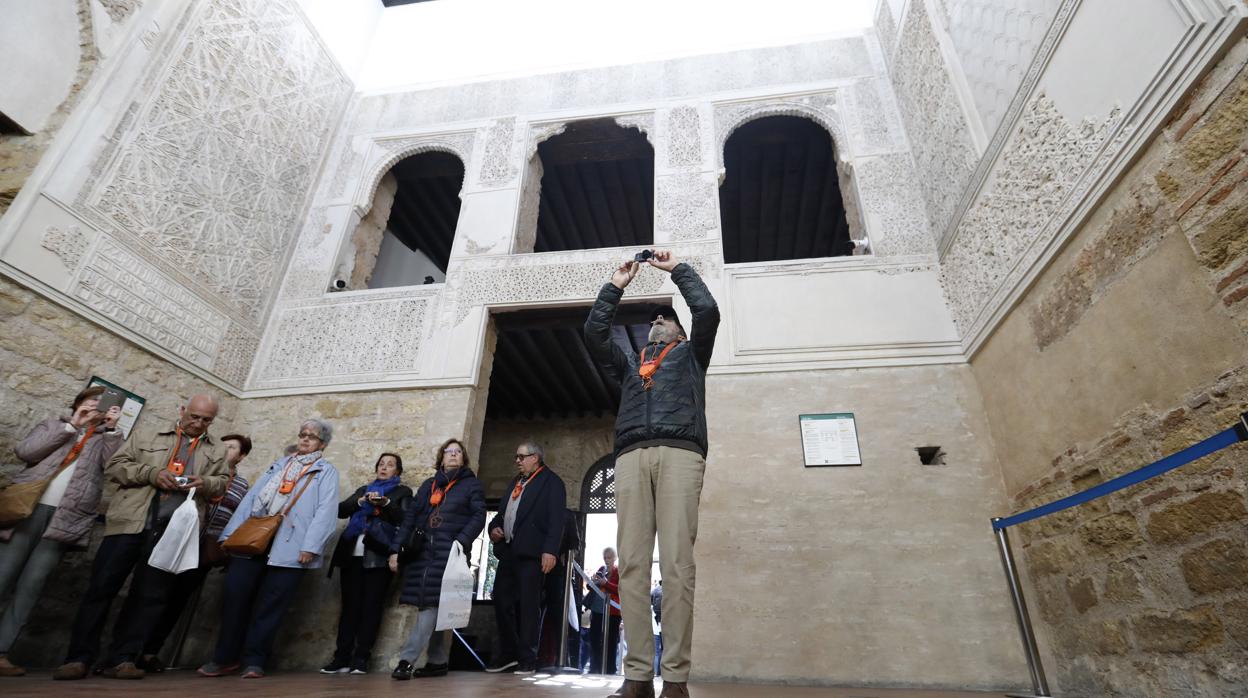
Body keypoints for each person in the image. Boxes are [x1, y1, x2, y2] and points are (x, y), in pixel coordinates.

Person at [585, 249, 720, 698]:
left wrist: (675, 269)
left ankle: (676, 678)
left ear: (680, 330)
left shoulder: (691, 356)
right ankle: (638, 676)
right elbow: (595, 332)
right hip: (629, 458)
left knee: (678, 565)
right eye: (654, 318)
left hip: (680, 452)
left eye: (666, 318)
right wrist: (616, 285)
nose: (658, 319)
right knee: (634, 566)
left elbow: (707, 309)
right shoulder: (630, 366)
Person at [52, 394, 227, 681]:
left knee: (150, 597)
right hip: (130, 522)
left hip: (171, 530)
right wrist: (152, 474)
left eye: (206, 420)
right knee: (101, 589)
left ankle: (122, 659)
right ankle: (78, 658)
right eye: (194, 416)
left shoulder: (216, 450)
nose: (198, 423)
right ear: (183, 410)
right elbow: (115, 466)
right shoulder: (147, 433)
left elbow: (221, 482)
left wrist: (204, 482)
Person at [198, 419, 339, 679]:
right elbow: (252, 498)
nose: (305, 439)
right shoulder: (279, 464)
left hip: (291, 545)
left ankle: (254, 660)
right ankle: (223, 658)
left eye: (312, 437)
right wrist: (230, 533)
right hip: (254, 538)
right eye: (302, 434)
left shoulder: (326, 472)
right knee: (235, 597)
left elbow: (326, 511)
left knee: (271, 606)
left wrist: (311, 546)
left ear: (323, 444)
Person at [0, 387, 123, 677]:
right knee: (2, 575)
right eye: (89, 402)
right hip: (28, 510)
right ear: (78, 403)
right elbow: (26, 452)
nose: (95, 407)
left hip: (65, 519)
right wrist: (74, 425)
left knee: (32, 586)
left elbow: (114, 468)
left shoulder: (105, 437)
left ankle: (2, 651)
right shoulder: (55, 425)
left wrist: (113, 432)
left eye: (100, 405)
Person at [138, 434, 252, 671]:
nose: (225, 450)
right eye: (223, 446)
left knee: (177, 600)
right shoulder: (201, 470)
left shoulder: (241, 485)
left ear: (241, 457)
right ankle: (131, 649)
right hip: (177, 540)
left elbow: (234, 516)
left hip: (203, 548)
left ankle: (150, 651)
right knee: (154, 593)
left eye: (231, 448)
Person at [389, 439, 484, 680]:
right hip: (422, 553)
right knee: (433, 605)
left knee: (429, 605)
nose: (453, 455)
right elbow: (410, 518)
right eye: (448, 452)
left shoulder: (471, 485)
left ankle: (406, 660)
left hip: (449, 554)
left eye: (458, 452)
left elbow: (479, 515)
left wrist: (460, 542)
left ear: (463, 458)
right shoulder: (428, 485)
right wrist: (395, 549)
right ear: (441, 458)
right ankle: (437, 660)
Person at [323, 452, 412, 675]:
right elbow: (342, 510)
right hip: (352, 554)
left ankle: (361, 658)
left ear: (397, 471)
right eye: (381, 464)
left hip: (379, 556)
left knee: (371, 608)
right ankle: (341, 658)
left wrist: (387, 503)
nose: (384, 468)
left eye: (390, 465)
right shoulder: (363, 490)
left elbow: (406, 519)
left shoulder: (402, 492)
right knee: (349, 608)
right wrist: (360, 502)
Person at [485, 441, 566, 675]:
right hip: (509, 551)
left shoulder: (552, 482)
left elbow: (556, 520)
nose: (517, 461)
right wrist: (495, 529)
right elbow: (501, 515)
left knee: (529, 607)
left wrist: (550, 550)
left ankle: (528, 658)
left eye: (522, 456)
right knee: (501, 599)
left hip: (533, 553)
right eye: (516, 456)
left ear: (536, 458)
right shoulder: (515, 482)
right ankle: (509, 653)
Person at [586, 547, 621, 675]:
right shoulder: (602, 569)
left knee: (611, 641)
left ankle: (610, 669)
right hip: (597, 610)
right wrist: (593, 581)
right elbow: (590, 587)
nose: (607, 560)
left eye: (609, 557)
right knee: (594, 639)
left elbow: (620, 589)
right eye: (605, 557)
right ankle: (595, 667)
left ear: (615, 558)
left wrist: (605, 583)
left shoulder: (618, 571)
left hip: (612, 612)